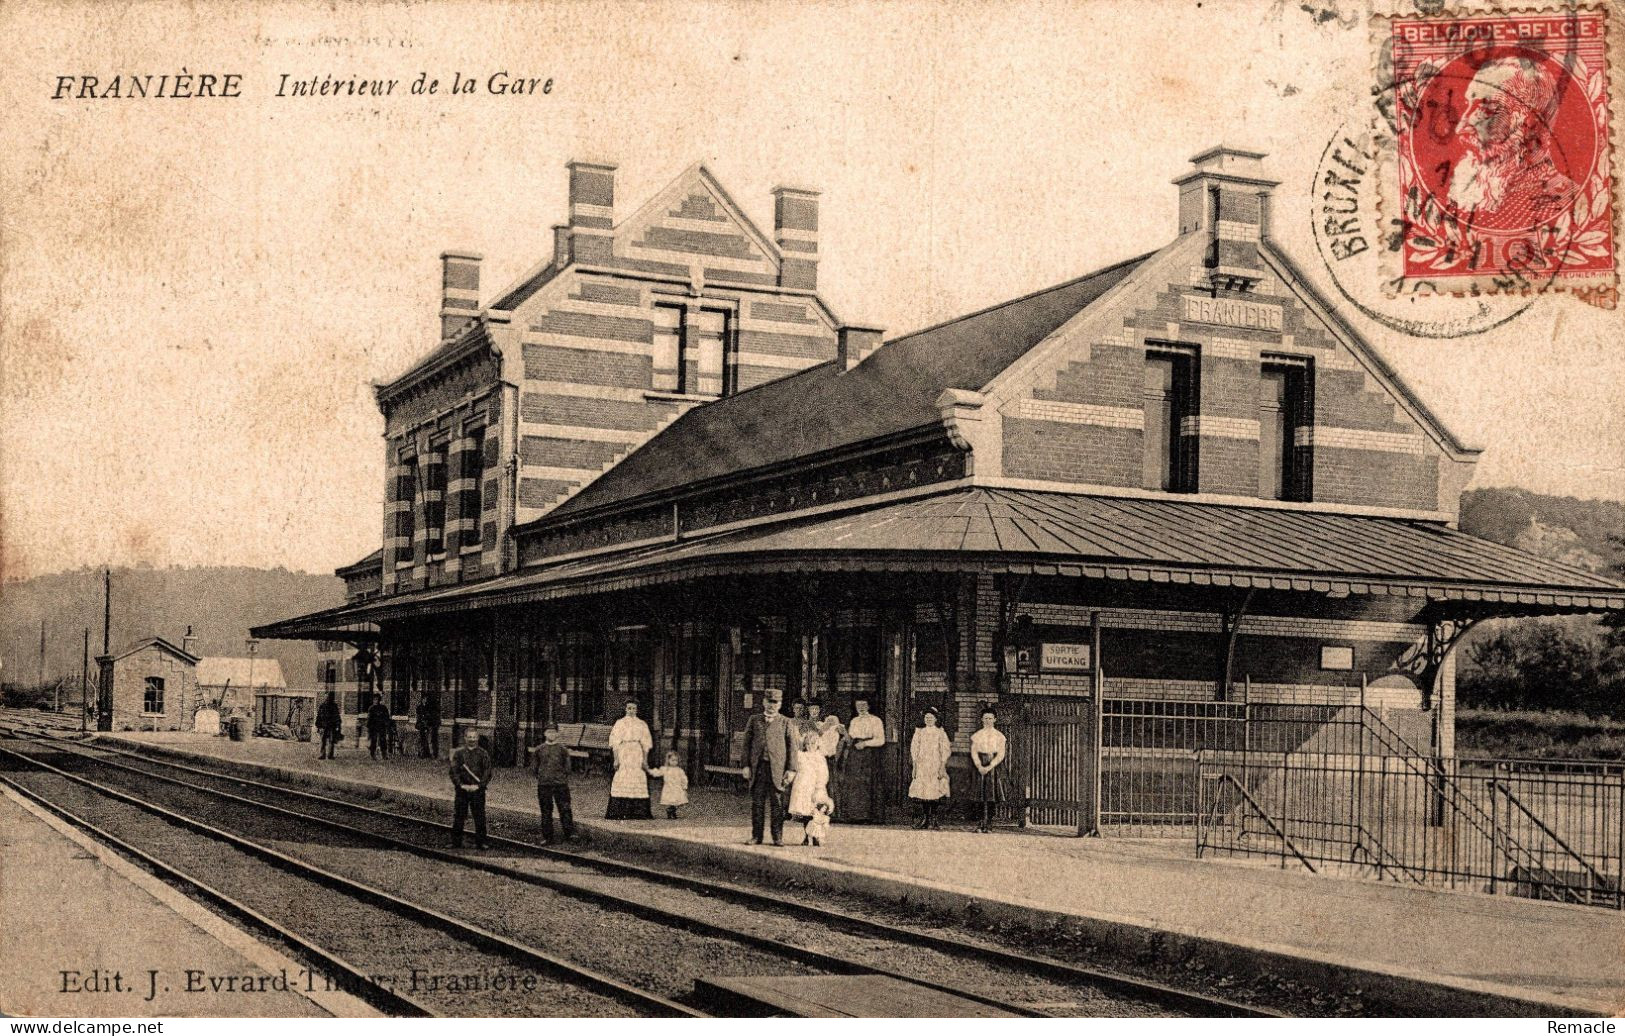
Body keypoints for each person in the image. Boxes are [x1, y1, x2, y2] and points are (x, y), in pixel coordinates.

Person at [1446, 55, 1578, 231]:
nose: (1461, 127)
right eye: (1467, 104)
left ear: (1529, 123)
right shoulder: (1469, 195)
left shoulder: (1568, 204)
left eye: (1486, 108)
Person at [740, 691, 797, 846]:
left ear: (780, 704)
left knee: (777, 804)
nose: (772, 706)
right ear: (764, 702)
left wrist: (791, 769)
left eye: (776, 702)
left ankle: (777, 837)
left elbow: (792, 747)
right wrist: (745, 765)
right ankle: (756, 836)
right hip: (758, 768)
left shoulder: (786, 722)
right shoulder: (754, 720)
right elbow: (746, 745)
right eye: (769, 701)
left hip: (777, 770)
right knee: (757, 803)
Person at [839, 696, 885, 823]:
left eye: (864, 705)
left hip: (870, 755)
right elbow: (850, 741)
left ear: (869, 706)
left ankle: (869, 817)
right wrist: (844, 733)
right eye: (858, 706)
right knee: (854, 784)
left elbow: (881, 740)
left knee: (868, 784)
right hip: (855, 755)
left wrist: (865, 744)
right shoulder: (854, 721)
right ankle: (855, 816)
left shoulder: (876, 720)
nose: (861, 708)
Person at [606, 699, 653, 819]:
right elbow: (615, 743)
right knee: (622, 777)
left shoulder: (642, 724)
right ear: (625, 709)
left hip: (637, 753)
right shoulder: (620, 723)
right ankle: (619, 811)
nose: (631, 711)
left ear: (637, 710)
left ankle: (638, 812)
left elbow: (646, 744)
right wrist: (616, 759)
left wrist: (645, 759)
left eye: (634, 708)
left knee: (637, 777)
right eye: (629, 708)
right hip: (624, 752)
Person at [530, 724, 575, 844]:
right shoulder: (539, 749)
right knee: (546, 810)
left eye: (554, 732)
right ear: (545, 734)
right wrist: (542, 777)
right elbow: (534, 768)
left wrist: (561, 777)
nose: (551, 734)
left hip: (560, 784)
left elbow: (568, 767)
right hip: (544, 785)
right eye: (549, 732)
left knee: (565, 808)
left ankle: (569, 834)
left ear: (557, 734)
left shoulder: (562, 749)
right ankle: (547, 836)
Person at [908, 706, 952, 829]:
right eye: (926, 717)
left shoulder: (940, 733)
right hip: (922, 766)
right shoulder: (919, 732)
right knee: (923, 792)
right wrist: (915, 766)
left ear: (936, 719)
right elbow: (914, 749)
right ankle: (925, 818)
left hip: (935, 765)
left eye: (931, 717)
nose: (928, 719)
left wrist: (942, 766)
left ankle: (934, 819)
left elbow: (945, 750)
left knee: (935, 791)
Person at [449, 728, 491, 849]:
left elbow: (487, 772)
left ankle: (481, 842)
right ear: (465, 738)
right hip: (462, 790)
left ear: (477, 738)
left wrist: (479, 786)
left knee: (479, 816)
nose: (472, 740)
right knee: (459, 816)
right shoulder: (459, 754)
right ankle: (456, 842)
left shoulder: (483, 754)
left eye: (474, 737)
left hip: (477, 790)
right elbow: (453, 772)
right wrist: (461, 785)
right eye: (469, 737)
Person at [970, 704, 1008, 834]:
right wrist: (979, 766)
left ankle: (989, 823)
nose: (987, 721)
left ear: (995, 719)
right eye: (985, 718)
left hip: (994, 767)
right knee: (979, 796)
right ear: (981, 719)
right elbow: (974, 752)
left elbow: (1001, 754)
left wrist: (990, 766)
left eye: (990, 718)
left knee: (992, 796)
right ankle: (980, 823)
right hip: (979, 766)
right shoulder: (977, 735)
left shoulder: (1000, 736)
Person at [786, 728, 830, 837]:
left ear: (817, 744)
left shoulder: (819, 757)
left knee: (816, 811)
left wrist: (820, 786)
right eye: (808, 743)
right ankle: (806, 836)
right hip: (802, 786)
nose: (810, 746)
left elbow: (823, 773)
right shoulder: (801, 755)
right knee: (805, 812)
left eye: (813, 743)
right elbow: (794, 769)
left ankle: (816, 836)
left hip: (815, 786)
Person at [648, 749, 689, 819]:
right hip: (669, 788)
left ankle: (672, 810)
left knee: (679, 801)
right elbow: (658, 773)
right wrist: (649, 771)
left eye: (676, 760)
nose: (674, 762)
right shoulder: (665, 769)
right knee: (671, 800)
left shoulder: (679, 770)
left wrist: (684, 787)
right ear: (668, 760)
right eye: (672, 760)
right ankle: (671, 812)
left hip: (677, 788)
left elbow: (684, 779)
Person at [315, 690, 342, 759]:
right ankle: (322, 754)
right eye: (326, 697)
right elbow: (319, 716)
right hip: (323, 726)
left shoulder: (334, 706)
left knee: (331, 741)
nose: (327, 698)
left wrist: (337, 725)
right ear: (324, 697)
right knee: (322, 741)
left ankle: (330, 755)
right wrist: (318, 725)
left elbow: (337, 716)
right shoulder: (322, 706)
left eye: (328, 697)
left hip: (331, 726)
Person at [366, 694, 392, 760]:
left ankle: (384, 754)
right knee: (373, 741)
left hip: (381, 727)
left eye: (377, 699)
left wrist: (387, 724)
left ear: (379, 700)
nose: (375, 701)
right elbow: (369, 719)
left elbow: (386, 717)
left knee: (383, 740)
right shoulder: (371, 708)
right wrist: (369, 728)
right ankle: (373, 754)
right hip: (373, 727)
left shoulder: (383, 708)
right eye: (374, 699)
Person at [416, 693, 441, 759]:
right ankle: (421, 753)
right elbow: (418, 717)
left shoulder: (428, 708)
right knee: (421, 740)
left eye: (426, 699)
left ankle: (426, 754)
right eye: (424, 699)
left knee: (427, 740)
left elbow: (429, 717)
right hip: (421, 725)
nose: (425, 700)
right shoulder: (419, 707)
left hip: (427, 726)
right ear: (422, 700)